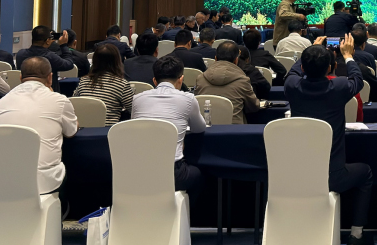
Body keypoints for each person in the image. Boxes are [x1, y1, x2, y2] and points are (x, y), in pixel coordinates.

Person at [284, 34, 374, 245]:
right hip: (333, 177)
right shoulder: (339, 87)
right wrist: (348, 56)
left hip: (298, 176)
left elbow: (293, 73)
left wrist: (310, 51)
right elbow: (358, 80)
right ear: (330, 68)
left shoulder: (292, 86)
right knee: (366, 173)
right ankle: (356, 235)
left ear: (303, 68)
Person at [0, 56, 78, 194]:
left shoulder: (2, 102)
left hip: (6, 181)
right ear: (50, 78)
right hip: (45, 182)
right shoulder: (59, 100)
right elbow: (71, 132)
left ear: (20, 77)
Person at [132, 56, 206, 199]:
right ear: (181, 79)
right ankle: (184, 211)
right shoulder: (188, 99)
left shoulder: (137, 99)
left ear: (154, 81)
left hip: (139, 171)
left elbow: (135, 127)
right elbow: (199, 128)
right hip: (173, 172)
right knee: (198, 175)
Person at [194, 41, 260, 124]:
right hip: (235, 129)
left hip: (206, 127)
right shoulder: (243, 81)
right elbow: (254, 107)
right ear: (236, 60)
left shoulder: (200, 78)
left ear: (215, 59)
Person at [73, 43, 133, 125]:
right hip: (108, 130)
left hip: (84, 129)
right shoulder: (121, 84)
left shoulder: (83, 81)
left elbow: (74, 103)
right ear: (117, 61)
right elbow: (133, 109)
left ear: (95, 61)